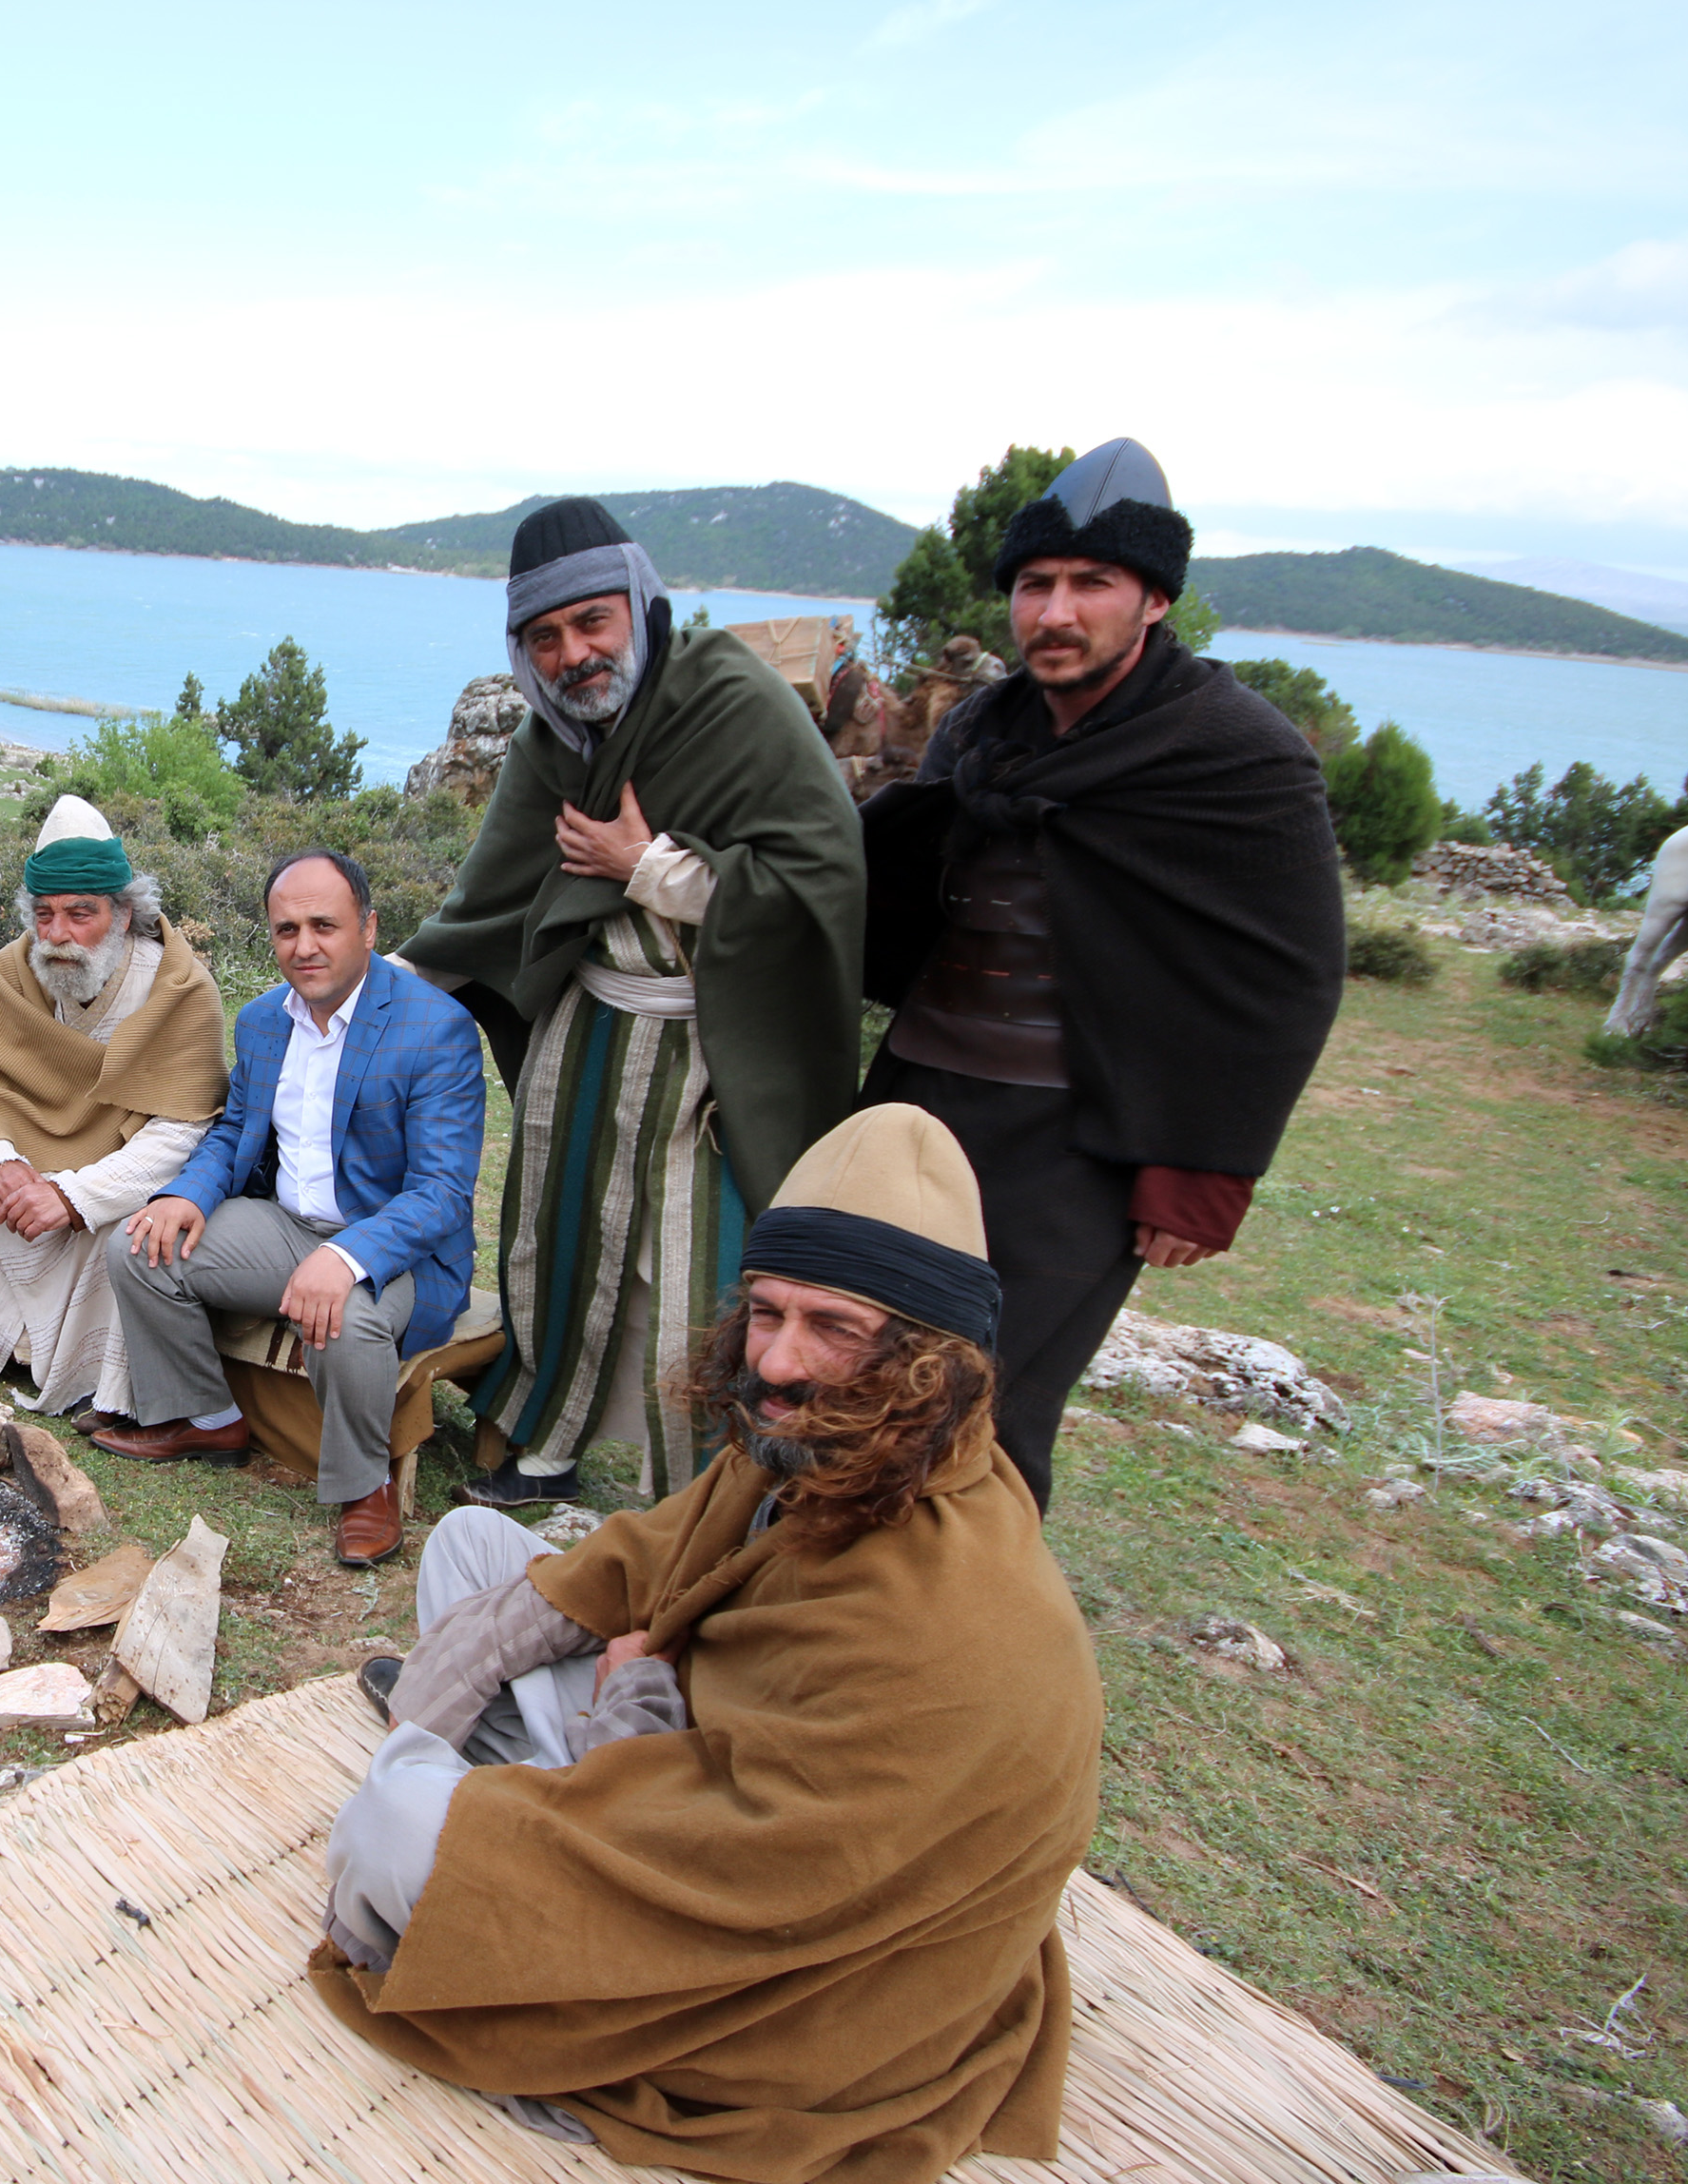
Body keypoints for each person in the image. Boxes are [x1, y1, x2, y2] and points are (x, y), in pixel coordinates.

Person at [314, 1104, 1100, 2175]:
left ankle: (454, 1782)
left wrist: (626, 1706)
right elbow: (650, 1548)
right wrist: (540, 1662)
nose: (776, 1358)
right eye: (767, 1311)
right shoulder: (833, 1436)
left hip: (775, 1954)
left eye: (833, 1325)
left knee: (392, 1825)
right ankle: (479, 1764)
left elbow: (749, 1871)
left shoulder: (948, 1628)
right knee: (471, 1548)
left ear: (928, 1362)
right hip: (684, 1739)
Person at [860, 439, 1343, 1508]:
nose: (1056, 613)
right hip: (918, 1093)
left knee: (988, 1405)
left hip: (1074, 1138)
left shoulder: (1233, 751)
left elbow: (1290, 974)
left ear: (1154, 598)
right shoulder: (983, 728)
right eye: (1035, 585)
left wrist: (1204, 1167)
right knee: (857, 1357)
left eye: (1092, 584)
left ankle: (975, 1646)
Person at [401, 498, 863, 1510]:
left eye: (591, 622)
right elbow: (488, 901)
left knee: (696, 1270)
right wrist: (372, 993)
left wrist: (641, 864)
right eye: (545, 637)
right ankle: (541, 1437)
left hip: (713, 1048)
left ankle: (707, 1489)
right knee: (555, 1235)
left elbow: (820, 880)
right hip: (589, 1033)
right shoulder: (552, 740)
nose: (573, 654)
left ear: (639, 608)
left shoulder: (731, 701)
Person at [93, 850, 484, 1567]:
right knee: (139, 1246)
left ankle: (365, 1487)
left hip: (398, 1248)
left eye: (323, 925)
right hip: (283, 1225)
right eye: (286, 928)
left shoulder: (436, 1028)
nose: (303, 946)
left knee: (347, 1313)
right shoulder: (263, 1021)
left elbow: (441, 1192)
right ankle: (210, 1419)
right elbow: (233, 1130)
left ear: (368, 928)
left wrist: (343, 1257)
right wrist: (185, 1194)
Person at [0, 796, 227, 1414]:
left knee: (128, 1232)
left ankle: (87, 1381)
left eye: (81, 914)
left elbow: (183, 1131)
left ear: (123, 912)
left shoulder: (179, 990)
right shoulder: (13, 971)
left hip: (116, 1166)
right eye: (44, 915)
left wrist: (72, 1196)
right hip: (28, 1152)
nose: (58, 936)